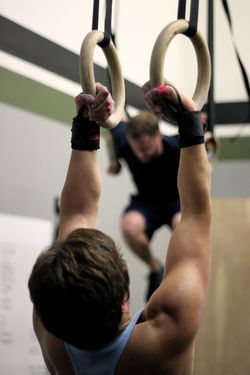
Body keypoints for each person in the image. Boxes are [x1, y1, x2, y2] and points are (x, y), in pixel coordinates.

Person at [28, 81, 211, 375]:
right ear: (125, 300)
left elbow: (76, 213)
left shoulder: (51, 334)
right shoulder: (165, 335)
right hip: (149, 207)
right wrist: (190, 118)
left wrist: (88, 124)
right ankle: (153, 264)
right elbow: (197, 215)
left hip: (168, 202)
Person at [105, 110, 181, 301]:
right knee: (129, 226)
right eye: (137, 149)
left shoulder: (176, 146)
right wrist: (114, 161)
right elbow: (112, 126)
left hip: (176, 201)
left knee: (183, 226)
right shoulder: (124, 141)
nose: (141, 154)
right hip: (146, 202)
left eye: (146, 148)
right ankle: (155, 268)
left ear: (159, 136)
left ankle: (179, 276)